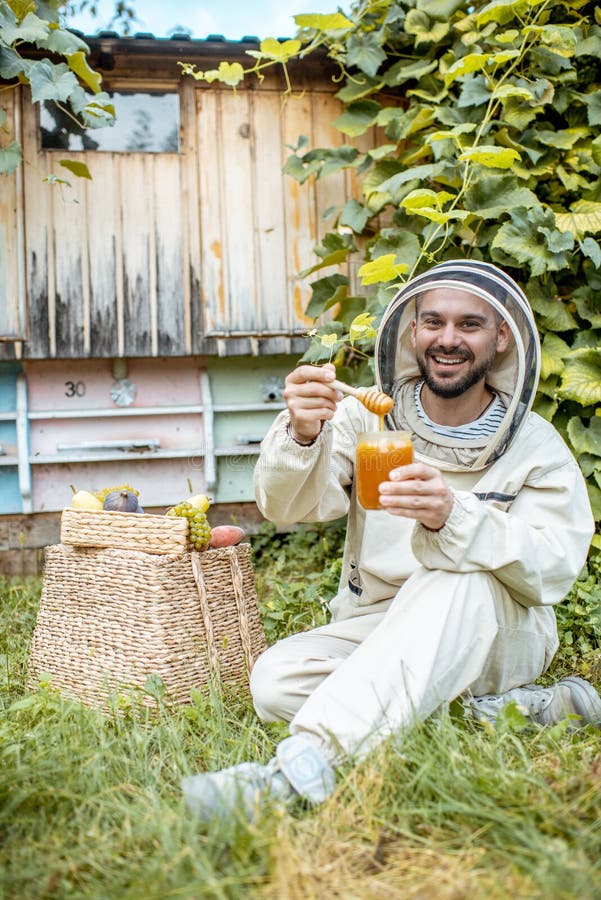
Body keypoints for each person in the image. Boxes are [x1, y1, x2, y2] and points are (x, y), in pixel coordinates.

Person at [182, 260, 599, 822]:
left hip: (497, 629)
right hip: (378, 619)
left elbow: (554, 568)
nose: (447, 339)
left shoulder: (535, 447)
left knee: (456, 574)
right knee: (277, 682)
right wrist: (303, 434)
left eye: (469, 325)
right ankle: (515, 711)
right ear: (412, 329)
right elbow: (290, 506)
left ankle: (300, 767)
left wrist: (455, 516)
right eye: (433, 322)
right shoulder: (362, 419)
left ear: (502, 338)